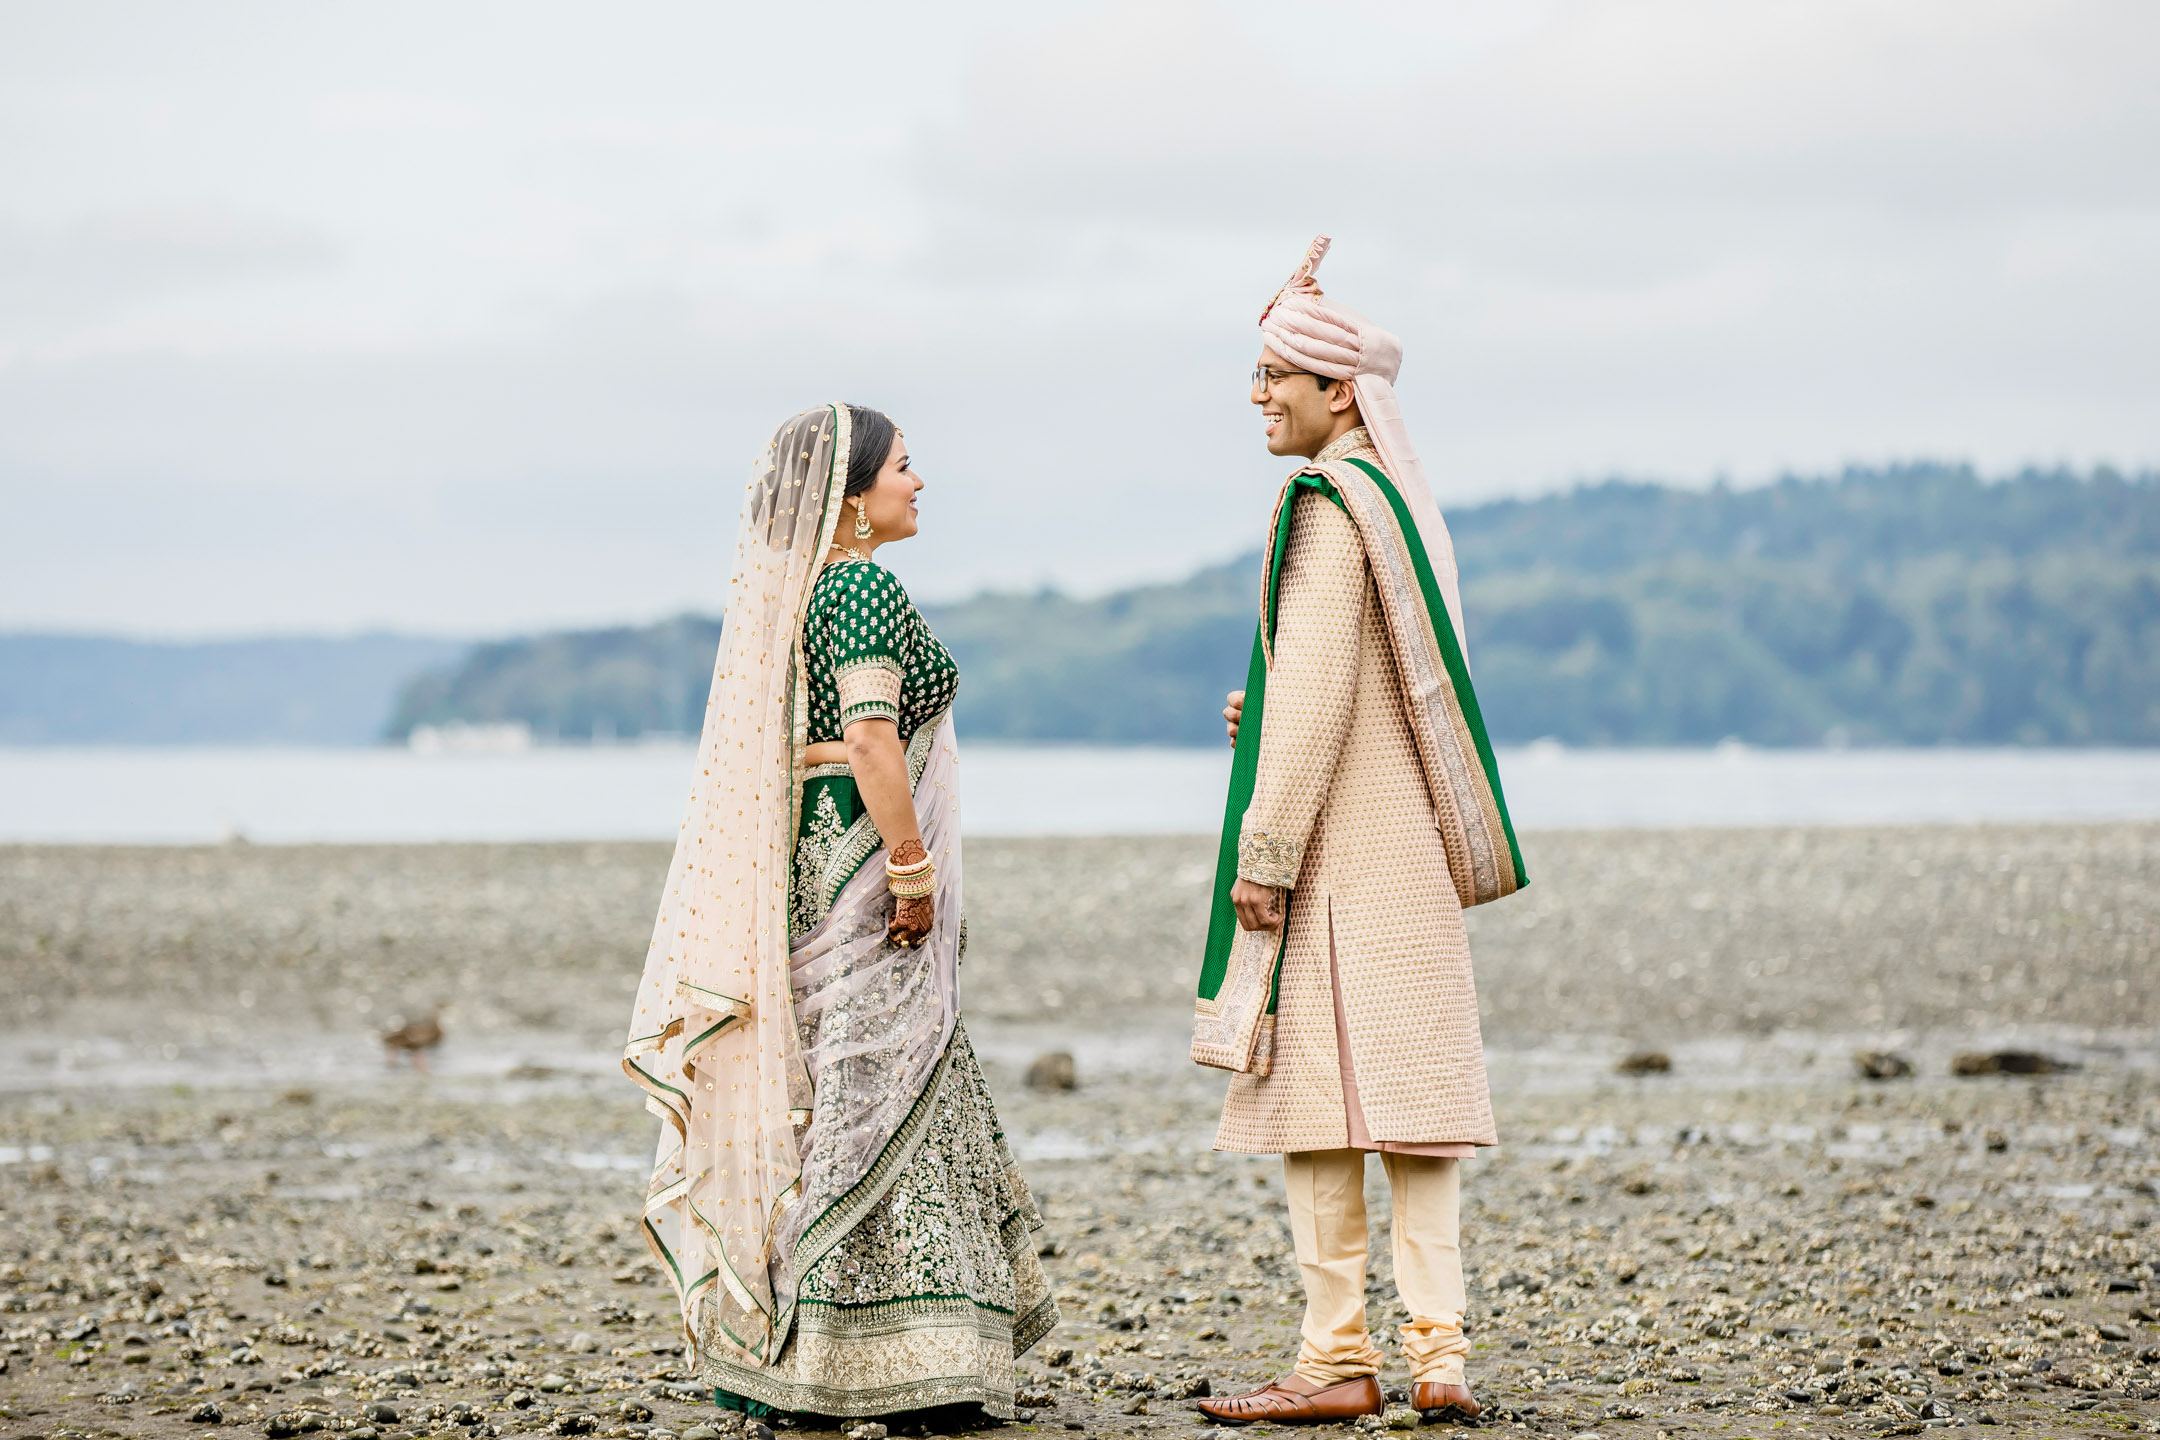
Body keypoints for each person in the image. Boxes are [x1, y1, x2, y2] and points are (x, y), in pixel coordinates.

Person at [622, 405, 1056, 1421]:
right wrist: (911, 870)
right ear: (853, 498)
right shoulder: (859, 583)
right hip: (860, 874)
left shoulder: (802, 597)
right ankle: (901, 1367)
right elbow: (870, 739)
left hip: (811, 865)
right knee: (883, 1093)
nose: (920, 482)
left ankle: (787, 1357)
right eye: (906, 467)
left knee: (833, 1097)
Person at [1190, 239, 1529, 1426]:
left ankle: (1336, 1360)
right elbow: (1380, 684)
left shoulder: (1326, 502)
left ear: (1339, 393)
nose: (1256, 393)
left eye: (1273, 371)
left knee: (1319, 1113)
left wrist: (1265, 852)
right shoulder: (1397, 501)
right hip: (1410, 857)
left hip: (1338, 859)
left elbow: (1326, 687)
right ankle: (1441, 1354)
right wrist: (1265, 701)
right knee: (1420, 1113)